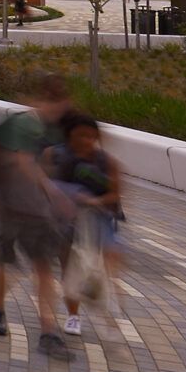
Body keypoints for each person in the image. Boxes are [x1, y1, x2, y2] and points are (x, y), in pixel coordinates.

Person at [0, 74, 76, 357]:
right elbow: (23, 162)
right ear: (38, 100)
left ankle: (48, 328)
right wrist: (54, 193)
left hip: (38, 212)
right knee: (4, 261)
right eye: (51, 101)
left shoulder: (57, 130)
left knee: (43, 266)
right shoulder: (25, 124)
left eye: (60, 102)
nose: (56, 108)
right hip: (7, 204)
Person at [51, 113, 125, 333]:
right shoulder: (65, 161)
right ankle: (73, 315)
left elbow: (116, 195)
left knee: (109, 260)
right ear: (70, 137)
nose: (85, 140)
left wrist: (96, 201)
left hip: (102, 219)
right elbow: (55, 190)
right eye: (79, 135)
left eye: (89, 135)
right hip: (70, 221)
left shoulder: (108, 162)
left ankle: (108, 303)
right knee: (69, 266)